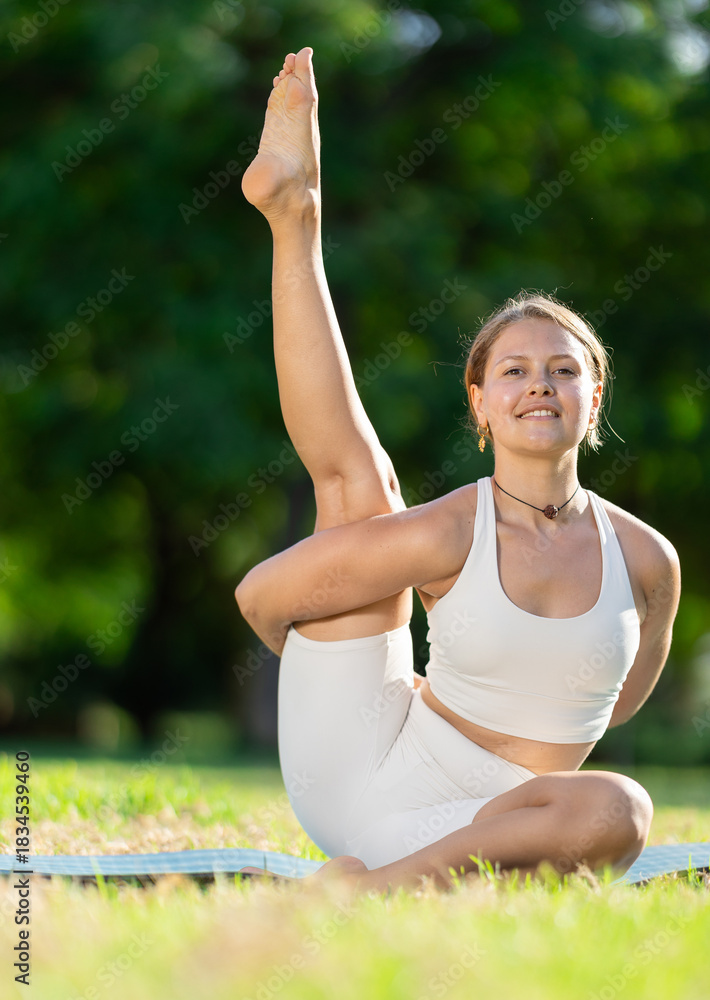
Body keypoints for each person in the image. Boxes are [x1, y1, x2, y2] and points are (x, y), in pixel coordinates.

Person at [235, 47, 681, 894]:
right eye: (512, 370)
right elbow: (261, 598)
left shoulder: (649, 562)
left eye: (563, 368)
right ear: (480, 405)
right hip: (369, 773)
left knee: (615, 810)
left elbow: (615, 701)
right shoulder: (446, 532)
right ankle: (295, 213)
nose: (539, 383)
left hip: (512, 819)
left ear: (595, 397)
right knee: (359, 495)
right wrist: (357, 648)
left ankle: (382, 883)